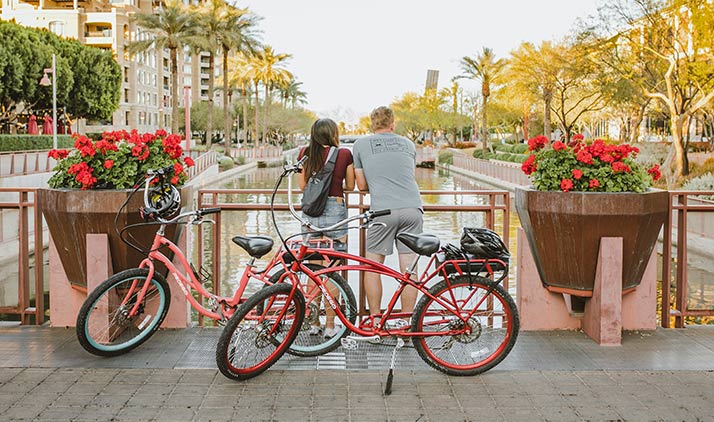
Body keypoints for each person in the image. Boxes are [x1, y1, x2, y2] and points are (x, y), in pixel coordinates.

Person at [352, 106, 423, 328]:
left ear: (372, 125)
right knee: (409, 270)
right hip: (412, 208)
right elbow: (410, 176)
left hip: (382, 212)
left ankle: (374, 321)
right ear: (393, 124)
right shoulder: (409, 144)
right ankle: (408, 322)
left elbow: (362, 185)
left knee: (373, 268)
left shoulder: (360, 145)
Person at [297, 118, 355, 337]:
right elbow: (350, 186)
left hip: (310, 213)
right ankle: (331, 326)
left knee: (313, 268)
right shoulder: (344, 155)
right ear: (333, 134)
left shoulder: (304, 152)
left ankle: (314, 323)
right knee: (332, 270)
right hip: (335, 212)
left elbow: (303, 186)